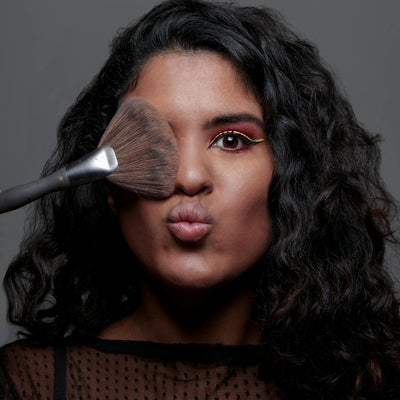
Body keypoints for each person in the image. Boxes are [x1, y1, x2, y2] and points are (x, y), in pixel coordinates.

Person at [1, 0, 399, 399]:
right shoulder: (27, 383)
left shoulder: (369, 384)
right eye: (157, 142)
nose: (189, 177)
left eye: (232, 141)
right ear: (109, 189)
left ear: (292, 176)